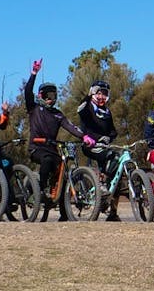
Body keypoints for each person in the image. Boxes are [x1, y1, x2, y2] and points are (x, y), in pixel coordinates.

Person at [25, 60, 95, 213]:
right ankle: (40, 191)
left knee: (64, 171)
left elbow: (70, 126)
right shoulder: (34, 109)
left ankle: (64, 212)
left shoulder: (58, 114)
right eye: (48, 96)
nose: (51, 99)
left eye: (54, 96)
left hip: (52, 149)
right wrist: (34, 74)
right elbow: (27, 92)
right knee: (47, 161)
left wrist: (84, 137)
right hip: (36, 148)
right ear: (41, 96)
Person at [77, 80, 119, 221]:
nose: (101, 96)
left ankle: (112, 212)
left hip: (103, 146)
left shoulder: (107, 112)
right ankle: (100, 183)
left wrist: (108, 137)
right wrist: (89, 96)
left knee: (117, 176)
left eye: (104, 94)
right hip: (90, 146)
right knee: (111, 156)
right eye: (98, 93)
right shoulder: (88, 108)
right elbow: (80, 110)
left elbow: (113, 131)